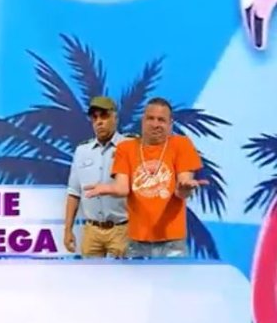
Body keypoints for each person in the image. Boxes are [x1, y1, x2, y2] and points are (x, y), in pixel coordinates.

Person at [84, 97, 207, 258]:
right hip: (137, 240)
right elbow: (122, 188)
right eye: (150, 118)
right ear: (143, 121)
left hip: (172, 241)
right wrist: (106, 188)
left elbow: (181, 189)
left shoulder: (181, 144)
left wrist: (185, 188)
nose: (155, 124)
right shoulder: (126, 148)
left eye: (161, 120)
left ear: (170, 124)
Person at [63, 97, 128, 258]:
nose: (99, 122)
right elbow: (74, 192)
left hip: (122, 230)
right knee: (90, 274)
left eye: (104, 116)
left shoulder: (130, 147)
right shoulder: (82, 151)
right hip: (91, 231)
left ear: (115, 118)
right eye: (95, 117)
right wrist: (68, 230)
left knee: (122, 274)